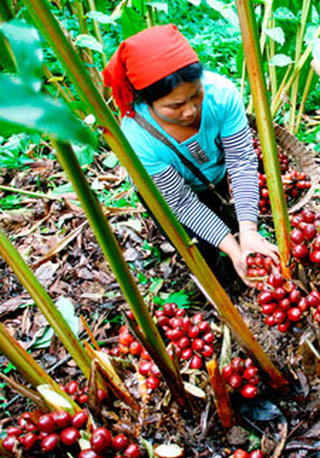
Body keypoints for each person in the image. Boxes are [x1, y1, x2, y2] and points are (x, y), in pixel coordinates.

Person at [103, 24, 278, 288]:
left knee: (232, 219)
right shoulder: (137, 139)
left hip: (215, 176)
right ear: (147, 101)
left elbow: (241, 162)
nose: (190, 112)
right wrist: (232, 250)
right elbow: (182, 203)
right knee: (202, 248)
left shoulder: (221, 95)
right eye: (175, 106)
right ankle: (219, 283)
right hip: (172, 197)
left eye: (196, 95)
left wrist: (249, 232)